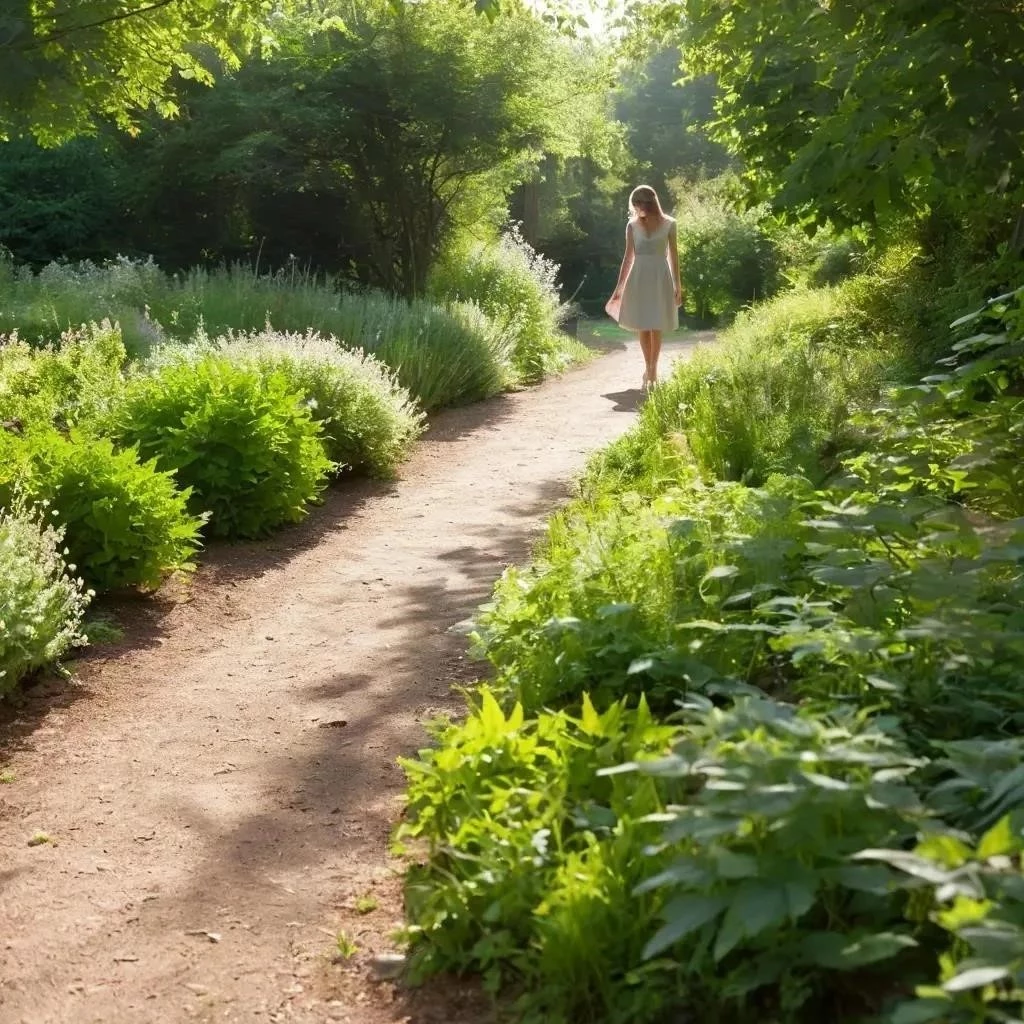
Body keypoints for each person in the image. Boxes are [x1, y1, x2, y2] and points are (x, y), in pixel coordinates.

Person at [606, 185, 683, 390]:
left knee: (656, 325)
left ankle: (653, 370)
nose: (635, 208)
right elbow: (628, 257)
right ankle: (648, 368)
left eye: (638, 204)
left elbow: (673, 257)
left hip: (660, 277)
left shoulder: (669, 224)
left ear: (647, 204)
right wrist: (619, 287)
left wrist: (678, 285)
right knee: (643, 324)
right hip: (638, 277)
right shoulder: (632, 226)